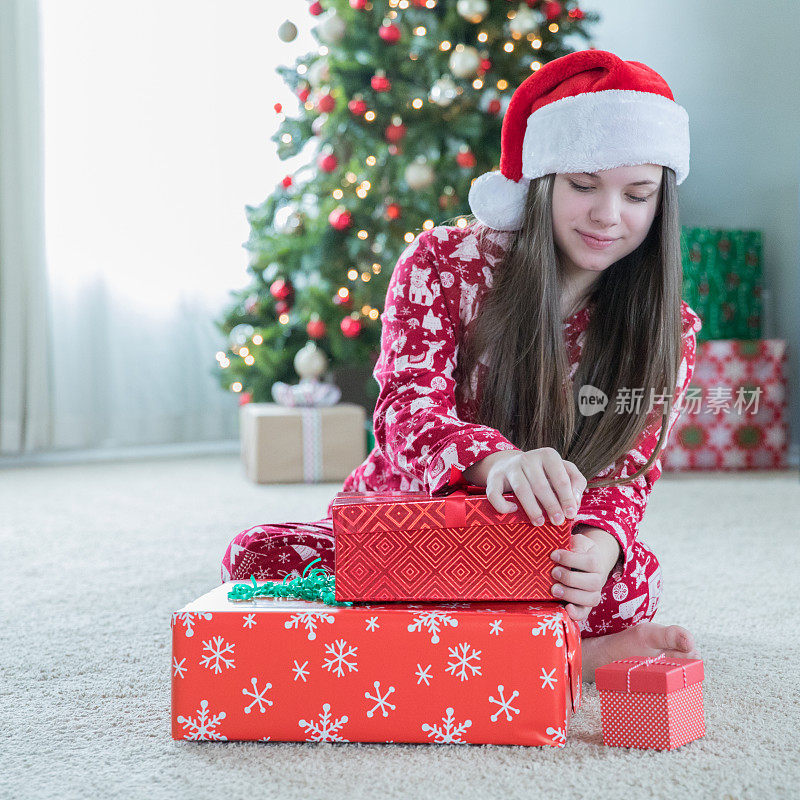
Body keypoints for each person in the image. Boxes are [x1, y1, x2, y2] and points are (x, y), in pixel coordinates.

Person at [221, 50, 701, 681]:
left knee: (631, 581)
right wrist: (496, 462)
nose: (609, 215)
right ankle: (558, 656)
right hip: (412, 519)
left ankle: (492, 645)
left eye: (637, 195)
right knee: (258, 559)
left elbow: (629, 475)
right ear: (542, 179)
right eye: (584, 185)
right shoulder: (442, 262)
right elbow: (405, 415)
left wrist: (600, 550)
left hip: (539, 545)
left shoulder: (671, 329)